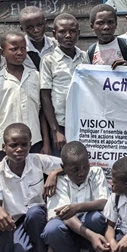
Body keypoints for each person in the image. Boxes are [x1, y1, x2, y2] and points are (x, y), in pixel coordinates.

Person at [0, 123, 62, 252]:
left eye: (24, 144)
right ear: (3, 147)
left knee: (35, 212)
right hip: (16, 222)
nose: (19, 149)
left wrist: (53, 173)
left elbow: (69, 163)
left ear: (30, 145)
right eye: (13, 145)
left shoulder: (37, 160)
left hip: (37, 218)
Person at [41, 141, 110, 252]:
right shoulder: (58, 182)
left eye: (85, 167)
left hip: (93, 230)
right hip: (69, 232)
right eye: (75, 170)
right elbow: (65, 216)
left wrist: (77, 207)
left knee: (97, 217)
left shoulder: (96, 173)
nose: (82, 173)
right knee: (51, 229)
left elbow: (104, 202)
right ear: (63, 168)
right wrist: (91, 235)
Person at [0, 32, 50, 169]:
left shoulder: (36, 77)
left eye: (23, 48)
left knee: (34, 182)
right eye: (14, 49)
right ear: (2, 52)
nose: (20, 52)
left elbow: (42, 113)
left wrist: (46, 144)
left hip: (34, 142)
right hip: (5, 145)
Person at [40, 13, 88, 156]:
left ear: (78, 34)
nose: (68, 35)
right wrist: (56, 131)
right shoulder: (49, 60)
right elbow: (45, 96)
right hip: (61, 123)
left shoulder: (85, 57)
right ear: (55, 34)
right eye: (62, 31)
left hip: (83, 122)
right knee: (62, 165)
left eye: (72, 31)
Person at [18, 6, 56, 71]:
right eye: (30, 27)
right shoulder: (19, 50)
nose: (36, 30)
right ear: (22, 28)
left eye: (39, 25)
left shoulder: (55, 45)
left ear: (45, 23)